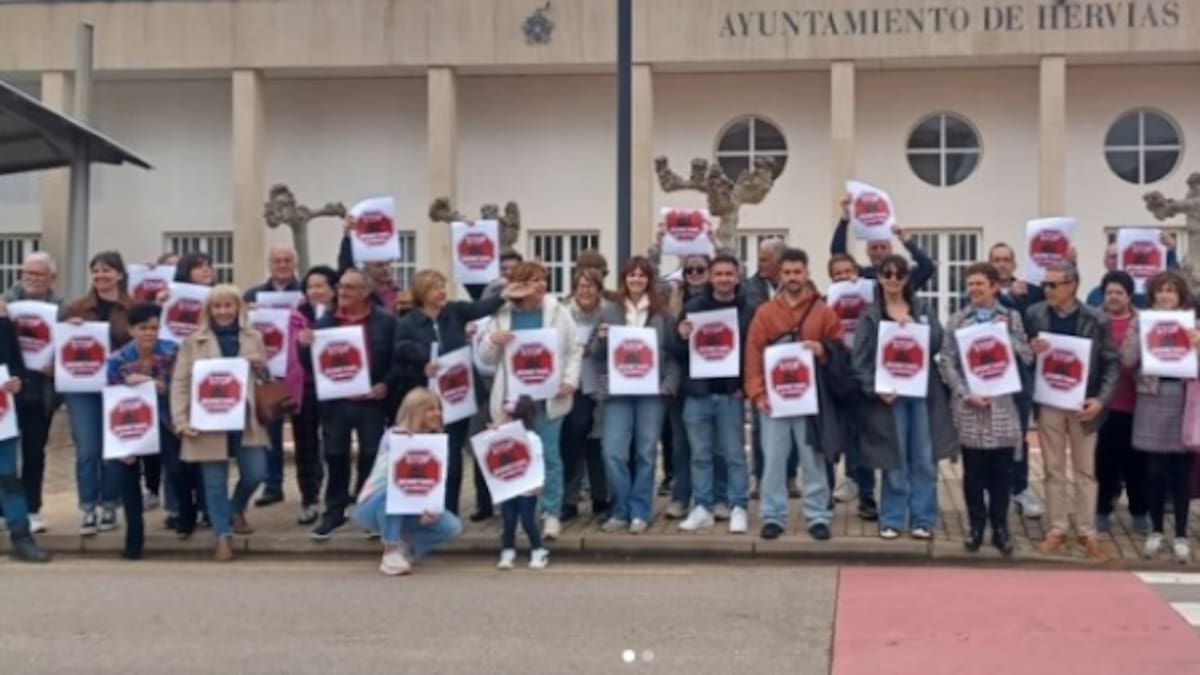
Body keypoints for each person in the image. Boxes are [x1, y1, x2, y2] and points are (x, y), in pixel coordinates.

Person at [478, 262, 582, 540]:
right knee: (513, 455)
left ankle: (550, 514)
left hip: (548, 398)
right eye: (534, 280)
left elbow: (574, 349)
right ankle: (513, 513)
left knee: (549, 455)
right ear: (520, 284)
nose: (541, 285)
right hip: (513, 400)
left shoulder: (558, 311)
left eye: (543, 280)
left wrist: (570, 380)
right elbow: (485, 359)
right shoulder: (501, 313)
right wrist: (493, 341)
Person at [853, 255, 953, 541]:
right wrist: (875, 388)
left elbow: (938, 342)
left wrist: (917, 328)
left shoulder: (922, 308)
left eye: (899, 274)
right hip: (889, 398)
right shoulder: (871, 315)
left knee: (923, 458)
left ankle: (923, 518)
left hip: (921, 394)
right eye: (887, 274)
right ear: (880, 278)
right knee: (894, 459)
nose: (893, 279)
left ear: (907, 279)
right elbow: (859, 362)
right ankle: (893, 518)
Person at [744, 248, 842, 540]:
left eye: (797, 272)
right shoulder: (765, 313)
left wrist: (823, 350)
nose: (792, 278)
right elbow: (753, 355)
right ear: (780, 275)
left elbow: (838, 347)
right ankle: (773, 515)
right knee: (773, 460)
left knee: (812, 458)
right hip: (774, 401)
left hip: (810, 400)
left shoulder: (823, 311)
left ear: (807, 273)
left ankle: (817, 515)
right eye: (787, 272)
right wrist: (758, 393)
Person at [937, 263, 1033, 556]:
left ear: (994, 287)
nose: (974, 289)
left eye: (980, 283)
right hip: (970, 403)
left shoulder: (1012, 317)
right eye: (970, 284)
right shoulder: (957, 320)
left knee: (1002, 472)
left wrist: (1010, 338)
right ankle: (976, 526)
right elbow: (946, 361)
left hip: (1002, 402)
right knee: (974, 471)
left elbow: (1027, 356)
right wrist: (964, 393)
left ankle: (1001, 527)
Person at [169, 285, 271, 562]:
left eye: (229, 306)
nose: (223, 311)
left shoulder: (253, 337)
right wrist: (180, 421)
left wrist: (259, 365)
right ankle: (222, 536)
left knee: (256, 473)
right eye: (218, 306)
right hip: (207, 419)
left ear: (239, 308)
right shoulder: (193, 342)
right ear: (209, 310)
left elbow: (266, 378)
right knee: (214, 481)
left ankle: (235, 507)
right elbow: (179, 383)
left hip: (246, 418)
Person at [1025, 262, 1119, 561]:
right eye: (1046, 284)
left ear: (1072, 286)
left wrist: (1101, 401)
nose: (1047, 290)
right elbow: (1024, 355)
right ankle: (1057, 529)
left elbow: (1112, 363)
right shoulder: (1035, 314)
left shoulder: (1096, 318)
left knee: (1085, 471)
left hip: (1083, 404)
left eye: (1054, 285)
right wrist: (1032, 350)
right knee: (1052, 469)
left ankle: (1086, 532)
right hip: (1050, 400)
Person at [393, 269, 504, 517]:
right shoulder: (408, 323)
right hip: (429, 401)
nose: (442, 292)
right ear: (422, 292)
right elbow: (399, 352)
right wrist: (422, 362)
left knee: (457, 453)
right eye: (436, 288)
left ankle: (456, 510)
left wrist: (507, 293)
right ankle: (434, 508)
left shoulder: (454, 312)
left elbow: (483, 308)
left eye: (443, 286)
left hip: (461, 396)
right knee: (438, 454)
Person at [307, 268, 400, 539]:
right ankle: (334, 512)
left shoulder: (385, 322)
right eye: (340, 287)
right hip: (336, 403)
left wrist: (386, 384)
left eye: (349, 288)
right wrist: (305, 346)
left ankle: (368, 512)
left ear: (365, 292)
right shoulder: (324, 324)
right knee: (335, 455)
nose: (343, 293)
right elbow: (310, 366)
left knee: (371, 456)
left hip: (371, 402)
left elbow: (397, 359)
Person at [589, 257, 679, 534]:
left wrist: (669, 383)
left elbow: (673, 356)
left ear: (649, 280)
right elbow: (594, 354)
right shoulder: (608, 313)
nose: (637, 279)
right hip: (618, 393)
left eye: (642, 275)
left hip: (651, 393)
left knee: (645, 453)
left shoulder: (663, 316)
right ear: (624, 279)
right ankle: (620, 509)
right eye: (632, 275)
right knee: (613, 452)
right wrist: (602, 340)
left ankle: (640, 511)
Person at [1118, 270, 1200, 563]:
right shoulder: (1141, 321)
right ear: (1152, 295)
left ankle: (1180, 534)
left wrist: (1198, 345)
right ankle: (1155, 531)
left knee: (1180, 471)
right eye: (1160, 291)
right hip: (1151, 398)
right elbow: (1126, 360)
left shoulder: (1194, 324)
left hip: (1183, 399)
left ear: (1181, 295)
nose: (1166, 295)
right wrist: (1140, 335)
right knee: (1153, 471)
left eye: (1171, 290)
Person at [673, 253, 753, 534]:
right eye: (718, 274)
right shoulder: (693, 308)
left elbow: (752, 352)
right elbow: (677, 352)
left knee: (733, 454)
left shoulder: (748, 310)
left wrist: (746, 385)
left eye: (729, 274)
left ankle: (739, 506)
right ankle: (703, 507)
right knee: (700, 454)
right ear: (710, 277)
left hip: (731, 394)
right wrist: (680, 336)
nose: (723, 279)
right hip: (697, 394)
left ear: (737, 277)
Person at [351, 388, 463, 576]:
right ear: (415, 412)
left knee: (452, 526)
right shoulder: (394, 435)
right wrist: (401, 443)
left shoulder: (436, 442)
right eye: (430, 409)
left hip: (411, 507)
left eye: (438, 409)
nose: (437, 414)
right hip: (375, 504)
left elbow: (432, 484)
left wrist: (430, 508)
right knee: (394, 494)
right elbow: (395, 479)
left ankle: (407, 549)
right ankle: (391, 551)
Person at [61, 251, 134, 536]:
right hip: (81, 388)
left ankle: (110, 505)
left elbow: (141, 343)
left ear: (119, 274)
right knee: (87, 450)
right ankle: (88, 506)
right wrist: (70, 330)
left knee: (112, 449)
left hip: (117, 386)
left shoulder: (132, 307)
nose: (101, 276)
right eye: (96, 271)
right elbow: (61, 349)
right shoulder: (75, 308)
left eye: (107, 270)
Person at [105, 303, 185, 558]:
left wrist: (161, 386)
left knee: (176, 468)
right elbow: (112, 399)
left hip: (166, 421)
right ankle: (134, 537)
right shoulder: (117, 360)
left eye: (153, 327)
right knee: (126, 475)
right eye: (143, 328)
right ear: (131, 330)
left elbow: (182, 387)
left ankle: (187, 515)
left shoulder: (172, 351)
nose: (149, 333)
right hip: (132, 425)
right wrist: (121, 445)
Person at [3, 251, 63, 533]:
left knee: (34, 452)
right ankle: (5, 511)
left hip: (42, 392)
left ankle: (32, 509)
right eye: (28, 273)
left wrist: (59, 366)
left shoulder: (63, 308)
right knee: (4, 454)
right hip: (7, 393)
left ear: (52, 278)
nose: (32, 279)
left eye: (39, 274)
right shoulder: (5, 303)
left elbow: (73, 349)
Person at [986, 242, 1046, 521]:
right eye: (996, 259)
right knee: (990, 436)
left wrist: (1016, 298)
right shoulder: (980, 291)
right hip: (989, 376)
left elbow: (1030, 330)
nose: (1001, 264)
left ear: (1013, 263)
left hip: (1019, 376)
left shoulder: (1030, 292)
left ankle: (1019, 489)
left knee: (1018, 436)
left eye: (1006, 259)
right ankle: (991, 488)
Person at [244, 243, 303, 509]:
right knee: (272, 431)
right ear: (270, 264)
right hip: (267, 374)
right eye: (277, 261)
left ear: (294, 263)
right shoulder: (254, 294)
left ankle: (310, 491)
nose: (282, 265)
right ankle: (273, 485)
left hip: (300, 372)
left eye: (287, 261)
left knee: (307, 433)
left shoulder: (305, 294)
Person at [824, 253, 878, 521]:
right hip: (836, 373)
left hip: (862, 373)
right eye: (838, 273)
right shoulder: (827, 300)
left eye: (848, 271)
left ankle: (866, 496)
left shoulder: (871, 292)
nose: (844, 276)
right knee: (834, 439)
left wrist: (865, 284)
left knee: (862, 439)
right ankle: (827, 496)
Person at [743, 238, 799, 497]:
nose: (759, 264)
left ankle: (790, 477)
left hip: (795, 367)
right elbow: (755, 319)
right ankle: (761, 477)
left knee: (795, 422)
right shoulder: (750, 287)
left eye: (764, 259)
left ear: (779, 262)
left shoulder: (803, 287)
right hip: (763, 366)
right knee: (760, 425)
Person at [1094, 271, 1148, 535]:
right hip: (1104, 404)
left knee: (1137, 461)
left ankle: (1139, 511)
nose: (1113, 297)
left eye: (1119, 292)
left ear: (1129, 296)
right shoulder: (1094, 321)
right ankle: (1102, 509)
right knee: (1105, 460)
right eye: (1109, 293)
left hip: (1137, 400)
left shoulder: (1144, 322)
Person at [284, 266, 338, 525]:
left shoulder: (342, 314)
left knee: (335, 444)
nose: (315, 291)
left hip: (336, 386)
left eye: (321, 286)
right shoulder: (295, 317)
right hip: (304, 387)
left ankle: (337, 497)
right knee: (305, 445)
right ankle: (309, 498)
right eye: (310, 286)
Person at [0, 305, 51, 563]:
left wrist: (17, 382)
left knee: (8, 479)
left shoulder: (3, 323)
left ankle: (21, 538)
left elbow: (15, 365)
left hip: (1, 414)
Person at [562, 268, 612, 520]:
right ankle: (569, 500)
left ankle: (600, 498)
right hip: (573, 387)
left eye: (591, 286)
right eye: (581, 286)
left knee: (597, 443)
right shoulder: (562, 314)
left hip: (602, 386)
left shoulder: (608, 314)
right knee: (573, 443)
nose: (586, 291)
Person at [831, 195, 935, 290]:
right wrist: (845, 218)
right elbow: (838, 253)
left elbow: (928, 267)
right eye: (874, 248)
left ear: (890, 250)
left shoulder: (901, 277)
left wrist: (906, 240)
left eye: (883, 247)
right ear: (867, 251)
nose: (879, 252)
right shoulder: (862, 275)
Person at [495, 395, 550, 570]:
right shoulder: (502, 438)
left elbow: (538, 461)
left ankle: (538, 549)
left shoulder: (532, 439)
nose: (503, 420)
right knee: (508, 521)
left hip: (527, 488)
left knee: (527, 520)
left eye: (507, 417)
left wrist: (538, 483)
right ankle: (508, 549)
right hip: (508, 488)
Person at [1085, 234, 1178, 309]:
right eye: (1113, 256)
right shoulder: (1095, 296)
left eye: (1124, 256)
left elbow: (1174, 282)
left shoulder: (1148, 293)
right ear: (1105, 262)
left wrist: (1170, 254)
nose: (1118, 260)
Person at [338, 218, 400, 310]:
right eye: (379, 265)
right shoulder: (363, 296)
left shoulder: (400, 294)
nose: (386, 269)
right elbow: (346, 270)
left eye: (388, 264)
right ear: (367, 268)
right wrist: (348, 238)